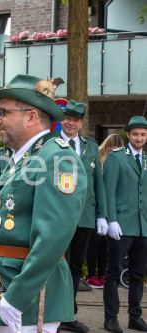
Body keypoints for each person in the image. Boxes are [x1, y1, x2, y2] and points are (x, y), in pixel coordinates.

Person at [0, 74, 87, 333]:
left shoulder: (57, 159)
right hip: (2, 286)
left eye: (3, 112)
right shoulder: (27, 157)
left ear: (31, 117)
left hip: (26, 298)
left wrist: (16, 299)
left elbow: (52, 239)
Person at [58, 100, 108, 333]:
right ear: (63, 119)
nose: (71, 122)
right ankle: (53, 314)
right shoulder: (51, 144)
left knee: (76, 267)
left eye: (76, 119)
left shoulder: (90, 147)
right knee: (59, 265)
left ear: (81, 122)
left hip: (84, 217)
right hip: (57, 216)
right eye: (68, 118)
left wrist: (102, 216)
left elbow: (99, 185)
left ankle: (68, 315)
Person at [102, 116, 147, 333]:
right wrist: (111, 220)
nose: (139, 138)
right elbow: (108, 190)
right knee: (113, 273)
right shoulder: (117, 157)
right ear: (128, 135)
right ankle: (110, 318)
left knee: (138, 275)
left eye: (143, 134)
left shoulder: (146, 160)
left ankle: (134, 317)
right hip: (120, 224)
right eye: (136, 134)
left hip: (142, 227)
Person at [87, 134, 124, 289]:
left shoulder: (121, 161)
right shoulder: (99, 161)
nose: (113, 152)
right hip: (97, 207)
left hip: (113, 209)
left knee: (106, 246)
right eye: (111, 149)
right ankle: (91, 275)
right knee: (94, 244)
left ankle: (102, 274)